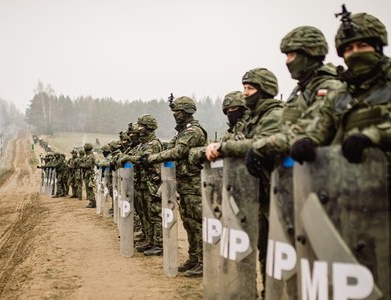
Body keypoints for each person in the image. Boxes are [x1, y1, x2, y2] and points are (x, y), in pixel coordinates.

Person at [289, 8, 391, 299]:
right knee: (351, 284)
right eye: (349, 48)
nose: (355, 53)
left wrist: (374, 137)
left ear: (378, 47)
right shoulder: (339, 93)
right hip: (348, 206)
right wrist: (306, 141)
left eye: (362, 46)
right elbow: (317, 127)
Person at [205, 68, 283, 293]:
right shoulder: (256, 118)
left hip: (276, 195)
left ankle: (272, 294)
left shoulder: (275, 115)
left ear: (264, 90)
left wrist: (223, 148)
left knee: (274, 252)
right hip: (254, 193)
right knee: (259, 249)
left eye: (250, 88)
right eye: (244, 88)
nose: (245, 93)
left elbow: (260, 143)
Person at [247, 26, 343, 166]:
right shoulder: (300, 91)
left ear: (308, 54)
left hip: (326, 170)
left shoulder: (329, 87)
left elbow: (311, 129)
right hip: (300, 173)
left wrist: (261, 147)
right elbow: (286, 129)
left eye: (291, 55)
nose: (287, 62)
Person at [144, 96, 207, 276]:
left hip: (194, 184)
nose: (174, 115)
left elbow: (179, 151)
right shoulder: (180, 132)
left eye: (177, 112)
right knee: (188, 222)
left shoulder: (193, 131)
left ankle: (203, 261)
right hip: (184, 183)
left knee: (198, 223)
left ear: (187, 111)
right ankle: (193, 258)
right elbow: (169, 149)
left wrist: (151, 158)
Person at [120, 115, 164, 256]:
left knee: (154, 214)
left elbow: (142, 159)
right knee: (145, 214)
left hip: (152, 183)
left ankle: (159, 244)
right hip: (142, 183)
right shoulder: (142, 144)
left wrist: (128, 158)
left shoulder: (154, 144)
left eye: (141, 126)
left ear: (149, 127)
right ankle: (150, 240)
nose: (138, 129)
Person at [189, 91, 249, 167]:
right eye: (227, 110)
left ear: (243, 109)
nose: (230, 112)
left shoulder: (250, 128)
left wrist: (216, 149)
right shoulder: (231, 132)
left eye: (234, 108)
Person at [81, 143, 97, 208]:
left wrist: (81, 165)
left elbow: (88, 165)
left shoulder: (90, 156)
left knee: (89, 188)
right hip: (88, 173)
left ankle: (92, 202)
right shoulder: (89, 156)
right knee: (88, 188)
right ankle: (91, 201)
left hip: (89, 174)